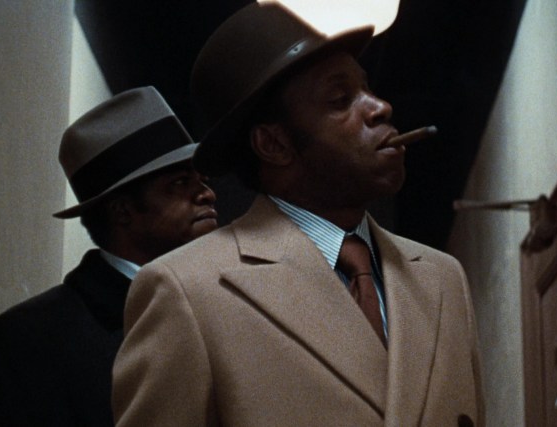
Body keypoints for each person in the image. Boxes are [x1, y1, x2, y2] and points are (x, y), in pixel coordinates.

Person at [113, 4, 483, 426]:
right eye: (340, 100)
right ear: (274, 144)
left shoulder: (443, 278)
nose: (380, 107)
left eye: (368, 89)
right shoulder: (187, 291)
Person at [0, 86, 218, 426]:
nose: (207, 193)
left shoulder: (222, 304)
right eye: (180, 182)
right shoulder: (29, 338)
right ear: (122, 211)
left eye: (203, 179)